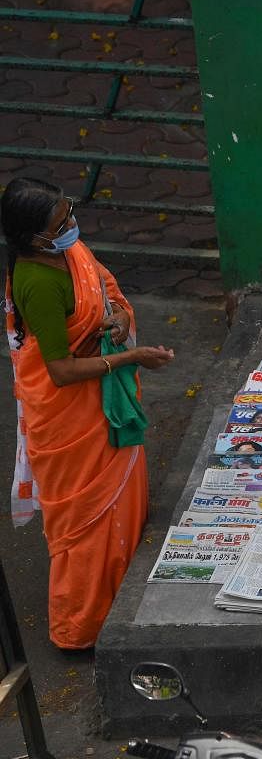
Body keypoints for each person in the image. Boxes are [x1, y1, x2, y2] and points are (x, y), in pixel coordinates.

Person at [1, 178, 175, 649]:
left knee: (121, 506)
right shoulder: (37, 281)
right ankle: (81, 629)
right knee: (85, 527)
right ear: (36, 239)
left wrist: (119, 318)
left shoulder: (70, 255)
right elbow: (59, 370)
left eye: (70, 213)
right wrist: (130, 358)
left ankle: (124, 600)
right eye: (63, 222)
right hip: (70, 415)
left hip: (102, 403)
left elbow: (107, 295)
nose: (73, 226)